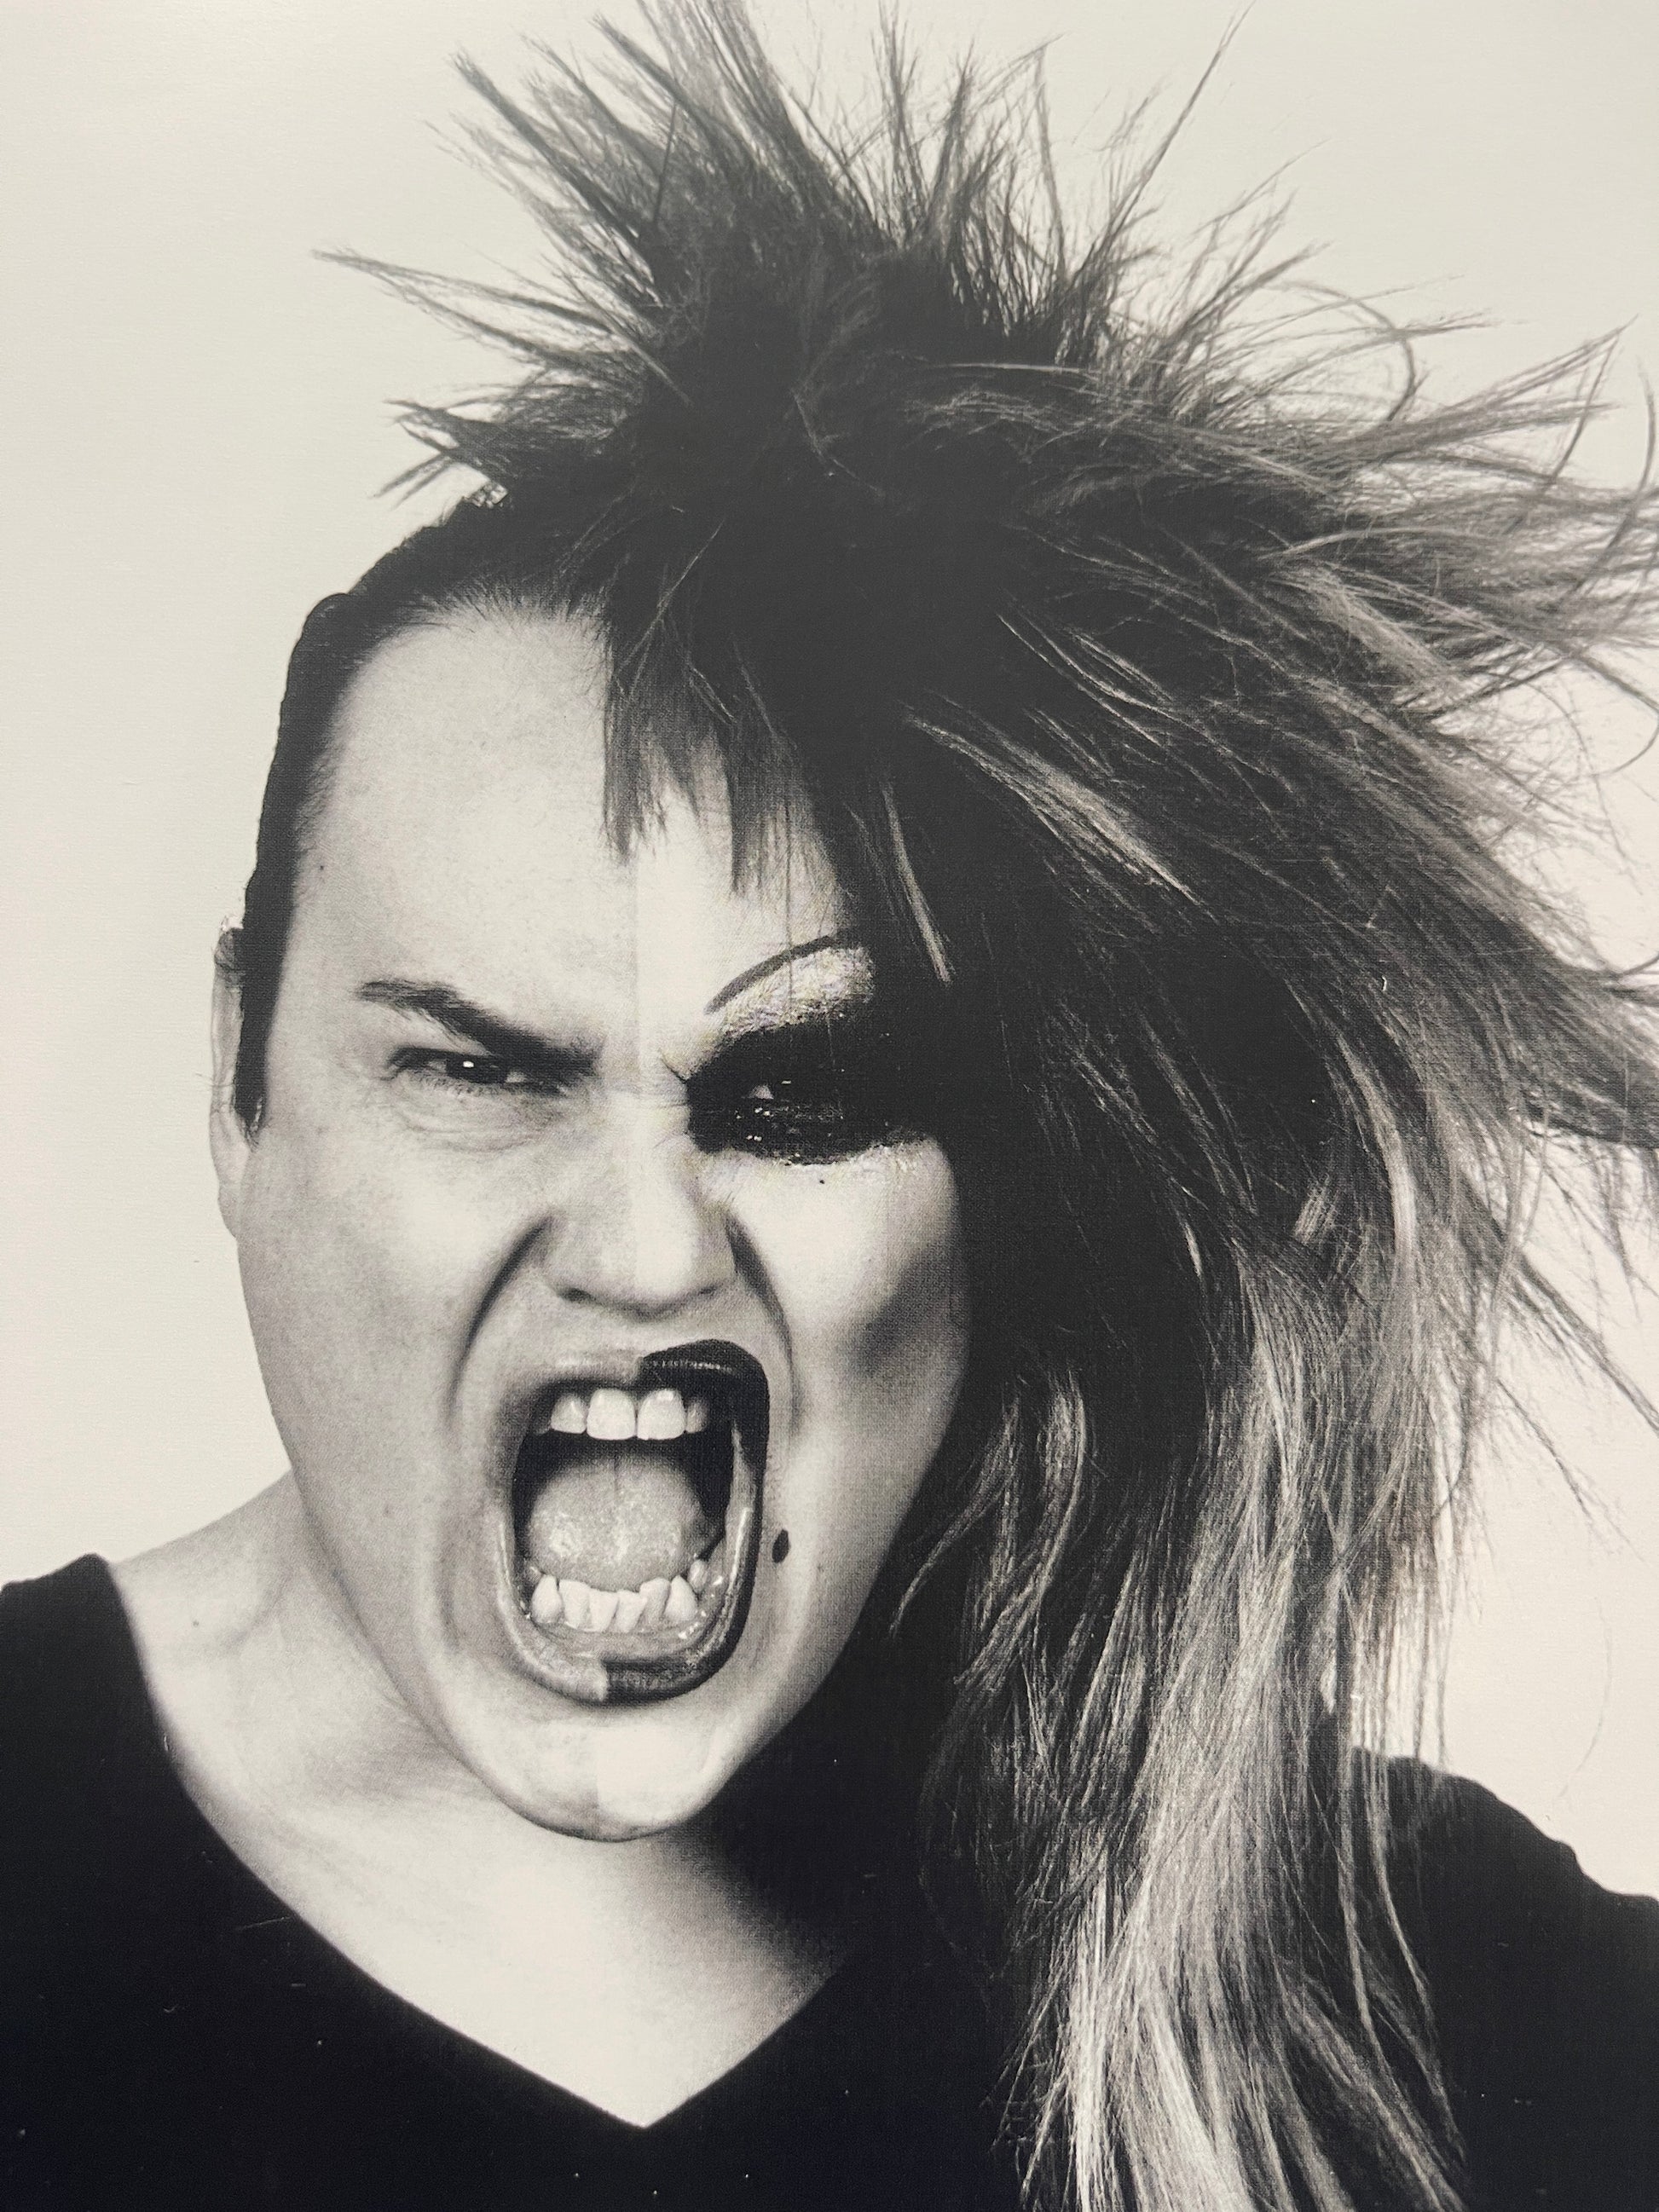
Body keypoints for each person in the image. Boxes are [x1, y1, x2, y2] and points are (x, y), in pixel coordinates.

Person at [3, 5, 1656, 2207]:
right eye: (477, 1068)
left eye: (800, 1096)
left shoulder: (1441, 1999)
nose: (640, 1246)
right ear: (240, 1088)